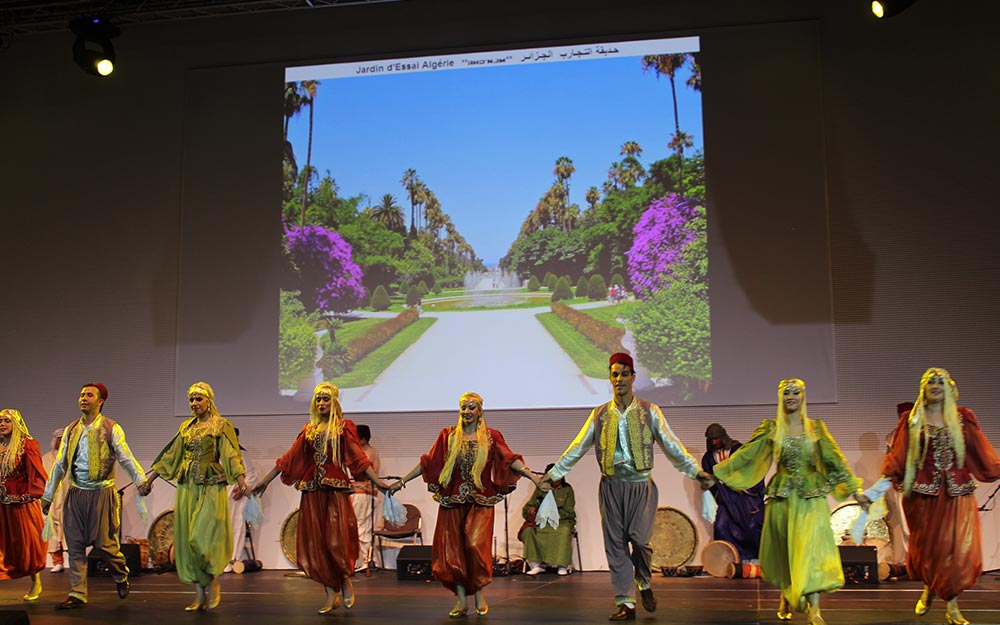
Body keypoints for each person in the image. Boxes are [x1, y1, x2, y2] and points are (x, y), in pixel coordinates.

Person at [539, 353, 715, 621]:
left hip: (640, 487)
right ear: (609, 378)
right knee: (616, 545)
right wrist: (555, 473)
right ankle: (626, 601)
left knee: (641, 541)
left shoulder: (649, 411)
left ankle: (643, 581)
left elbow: (671, 444)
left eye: (624, 374)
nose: (619, 379)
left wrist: (695, 470)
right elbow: (578, 446)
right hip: (611, 487)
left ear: (633, 377)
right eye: (614, 374)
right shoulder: (599, 414)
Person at [713, 379, 869, 625]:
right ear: (780, 397)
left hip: (810, 499)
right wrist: (720, 471)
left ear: (803, 396)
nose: (791, 396)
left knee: (811, 551)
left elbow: (834, 460)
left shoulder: (816, 429)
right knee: (787, 552)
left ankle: (814, 608)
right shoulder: (772, 429)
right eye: (786, 393)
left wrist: (855, 490)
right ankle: (788, 594)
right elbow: (747, 454)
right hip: (783, 499)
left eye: (796, 392)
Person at [389, 391, 542, 618]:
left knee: (474, 546)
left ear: (480, 411)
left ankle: (479, 592)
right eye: (463, 407)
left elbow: (510, 460)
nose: (467, 411)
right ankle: (461, 600)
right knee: (453, 554)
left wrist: (534, 478)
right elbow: (428, 463)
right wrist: (401, 482)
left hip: (481, 501)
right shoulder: (448, 436)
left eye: (472, 407)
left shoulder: (491, 436)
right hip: (452, 502)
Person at [254, 382, 388, 614]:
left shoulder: (344, 428)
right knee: (317, 544)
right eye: (318, 399)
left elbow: (358, 459)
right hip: (312, 492)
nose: (322, 403)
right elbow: (288, 458)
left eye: (326, 399)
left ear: (334, 402)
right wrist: (264, 482)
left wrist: (377, 483)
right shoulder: (308, 430)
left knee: (336, 542)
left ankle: (344, 579)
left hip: (334, 491)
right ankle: (329, 594)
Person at [880, 368, 1000, 625]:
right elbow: (898, 456)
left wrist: (996, 469)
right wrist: (882, 483)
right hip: (923, 498)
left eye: (940, 382)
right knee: (929, 552)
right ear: (922, 388)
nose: (935, 385)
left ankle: (952, 607)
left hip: (957, 495)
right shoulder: (911, 420)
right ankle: (928, 588)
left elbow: (981, 451)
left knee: (955, 551)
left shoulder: (962, 418)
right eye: (930, 381)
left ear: (949, 388)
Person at [141, 382, 248, 611]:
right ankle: (199, 593)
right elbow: (171, 456)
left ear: (209, 400)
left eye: (198, 399)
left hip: (210, 487)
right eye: (191, 400)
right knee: (187, 543)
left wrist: (242, 482)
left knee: (199, 539)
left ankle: (212, 581)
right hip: (187, 487)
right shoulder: (186, 428)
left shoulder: (220, 425)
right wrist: (149, 481)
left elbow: (231, 456)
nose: (194, 404)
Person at [42, 383, 148, 609]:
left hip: (101, 494)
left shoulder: (111, 428)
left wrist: (140, 480)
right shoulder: (71, 430)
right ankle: (77, 593)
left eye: (89, 395)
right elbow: (60, 464)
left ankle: (120, 574)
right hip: (76, 494)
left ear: (100, 401)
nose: (83, 398)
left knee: (105, 545)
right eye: (81, 394)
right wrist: (48, 495)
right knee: (75, 545)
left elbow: (126, 457)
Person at [0, 409, 48, 602]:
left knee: (27, 545)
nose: (2, 424)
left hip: (21, 505)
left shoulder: (27, 444)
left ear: (16, 424)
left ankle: (36, 580)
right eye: (0, 421)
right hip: (1, 505)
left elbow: (35, 473)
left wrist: (29, 495)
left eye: (7, 421)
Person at [702, 423, 765, 562]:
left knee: (751, 526)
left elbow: (752, 469)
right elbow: (709, 480)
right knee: (721, 526)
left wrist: (744, 487)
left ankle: (754, 558)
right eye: (711, 440)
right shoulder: (708, 458)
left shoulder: (740, 450)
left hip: (744, 497)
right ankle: (730, 559)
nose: (714, 442)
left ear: (723, 437)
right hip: (726, 499)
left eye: (716, 438)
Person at [521, 462, 576, 576]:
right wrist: (530, 510)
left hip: (561, 521)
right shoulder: (541, 488)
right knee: (529, 530)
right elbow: (529, 505)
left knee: (564, 531)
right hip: (543, 520)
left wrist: (554, 514)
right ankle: (537, 565)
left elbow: (569, 510)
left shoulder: (567, 489)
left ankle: (562, 565)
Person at [224, 427, 259, 573]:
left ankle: (233, 559)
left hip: (237, 495)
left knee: (236, 524)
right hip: (221, 495)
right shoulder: (218, 453)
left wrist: (242, 490)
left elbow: (252, 475)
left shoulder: (241, 452)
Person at [351, 424, 381, 572]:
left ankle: (366, 560)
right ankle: (368, 559)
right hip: (363, 493)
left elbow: (363, 475)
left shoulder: (367, 454)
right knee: (363, 527)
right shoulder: (367, 452)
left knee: (361, 527)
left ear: (362, 439)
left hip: (363, 494)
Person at [40, 428, 68, 573]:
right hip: (51, 500)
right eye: (59, 439)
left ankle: (74, 560)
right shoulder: (45, 459)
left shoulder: (73, 458)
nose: (60, 442)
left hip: (68, 499)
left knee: (69, 530)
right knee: (52, 531)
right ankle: (58, 561)